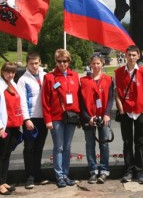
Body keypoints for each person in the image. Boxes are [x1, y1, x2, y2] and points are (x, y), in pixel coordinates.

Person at [42, 49, 81, 188]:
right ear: (56, 62)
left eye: (65, 61)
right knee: (58, 147)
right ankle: (59, 176)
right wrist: (48, 119)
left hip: (71, 117)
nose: (63, 64)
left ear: (69, 61)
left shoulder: (75, 76)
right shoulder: (49, 78)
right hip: (56, 117)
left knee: (67, 147)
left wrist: (79, 117)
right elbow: (45, 101)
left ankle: (65, 174)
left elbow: (78, 97)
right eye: (59, 61)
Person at [0, 62, 26, 195]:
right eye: (8, 72)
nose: (10, 75)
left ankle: (4, 180)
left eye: (13, 72)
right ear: (2, 72)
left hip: (14, 125)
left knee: (7, 155)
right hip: (4, 127)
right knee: (0, 155)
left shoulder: (13, 85)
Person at [114, 45, 143, 184]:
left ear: (138, 56)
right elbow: (117, 92)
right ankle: (128, 170)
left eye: (134, 55)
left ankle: (139, 171)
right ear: (125, 56)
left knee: (139, 143)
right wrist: (121, 108)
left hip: (140, 111)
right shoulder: (118, 72)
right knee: (127, 143)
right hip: (126, 111)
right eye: (129, 55)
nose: (132, 57)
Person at [15, 52, 49, 189]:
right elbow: (21, 101)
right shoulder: (23, 79)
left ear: (40, 62)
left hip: (44, 117)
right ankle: (29, 176)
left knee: (39, 148)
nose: (34, 66)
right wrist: (26, 119)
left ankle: (38, 174)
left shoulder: (45, 75)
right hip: (31, 118)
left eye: (36, 63)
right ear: (27, 64)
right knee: (29, 148)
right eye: (31, 63)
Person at [79, 54, 114, 184]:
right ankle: (92, 170)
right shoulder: (83, 81)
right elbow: (81, 102)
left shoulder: (109, 80)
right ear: (90, 64)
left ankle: (104, 170)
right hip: (89, 118)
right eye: (93, 63)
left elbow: (110, 99)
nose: (96, 66)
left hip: (103, 117)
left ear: (102, 64)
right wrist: (88, 117)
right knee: (90, 145)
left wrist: (107, 114)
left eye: (98, 63)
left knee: (104, 144)